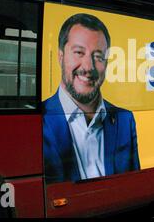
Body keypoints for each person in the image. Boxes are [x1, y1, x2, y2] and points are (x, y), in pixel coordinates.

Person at [43, 13, 140, 184]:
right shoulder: (37, 120)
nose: (88, 67)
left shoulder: (125, 119)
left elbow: (134, 184)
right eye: (79, 52)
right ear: (60, 57)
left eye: (98, 57)